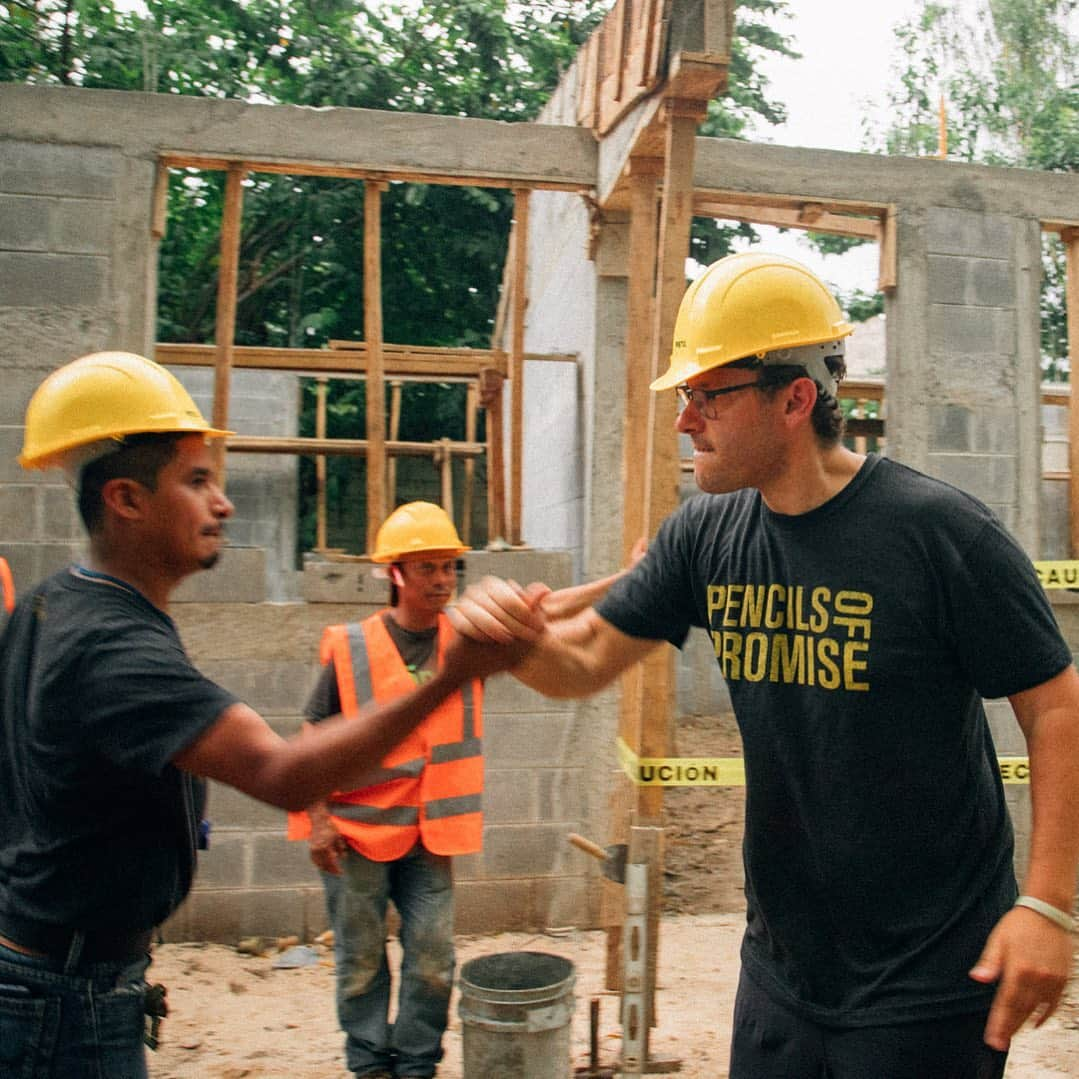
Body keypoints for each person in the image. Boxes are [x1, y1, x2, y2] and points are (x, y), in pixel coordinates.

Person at [448, 252, 1079, 1079]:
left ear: (795, 397)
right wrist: (511, 644)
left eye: (707, 396)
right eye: (685, 397)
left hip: (929, 974)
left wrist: (1046, 905)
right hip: (783, 969)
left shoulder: (939, 533)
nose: (685, 420)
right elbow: (586, 660)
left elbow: (1056, 705)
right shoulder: (703, 536)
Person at [0, 351, 522, 1079]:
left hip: (56, 971)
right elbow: (280, 770)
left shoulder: (50, 603)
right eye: (197, 480)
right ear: (126, 499)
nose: (225, 503)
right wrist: (451, 676)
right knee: (365, 961)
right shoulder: (113, 647)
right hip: (65, 994)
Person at [290, 505, 645, 1079]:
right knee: (359, 962)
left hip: (431, 834)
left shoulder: (467, 635)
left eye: (449, 567)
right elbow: (311, 735)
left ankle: (415, 1066)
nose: (440, 579)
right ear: (395, 574)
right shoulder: (351, 645)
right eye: (426, 568)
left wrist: (628, 579)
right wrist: (318, 821)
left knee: (432, 959)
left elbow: (546, 609)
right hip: (357, 834)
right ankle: (369, 1066)